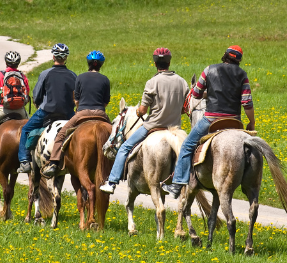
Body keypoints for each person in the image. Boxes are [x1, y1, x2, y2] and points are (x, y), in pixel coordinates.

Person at [162, 45, 255, 198]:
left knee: (187, 145)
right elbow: (247, 103)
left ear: (225, 55)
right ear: (238, 60)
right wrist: (251, 122)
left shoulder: (209, 70)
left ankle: (177, 185)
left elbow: (197, 94)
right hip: (234, 121)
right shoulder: (242, 74)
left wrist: (210, 93)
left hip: (212, 119)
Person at [100, 48, 189, 194]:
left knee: (124, 148)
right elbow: (185, 108)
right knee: (189, 150)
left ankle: (112, 182)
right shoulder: (182, 82)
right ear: (169, 62)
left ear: (155, 63)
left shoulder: (152, 82)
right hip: (175, 129)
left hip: (153, 126)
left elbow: (142, 111)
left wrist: (136, 112)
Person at [41, 50, 111, 178]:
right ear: (100, 64)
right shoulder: (105, 79)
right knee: (114, 137)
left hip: (82, 113)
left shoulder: (80, 77)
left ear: (88, 63)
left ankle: (53, 163)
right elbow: (105, 102)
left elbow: (77, 101)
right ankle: (119, 166)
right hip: (101, 113)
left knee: (61, 134)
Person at [17, 43, 77, 173]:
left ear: (53, 57)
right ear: (65, 58)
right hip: (67, 113)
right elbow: (77, 97)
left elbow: (37, 95)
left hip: (47, 112)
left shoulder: (45, 74)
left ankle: (24, 161)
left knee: (26, 129)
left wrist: (38, 103)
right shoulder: (73, 75)